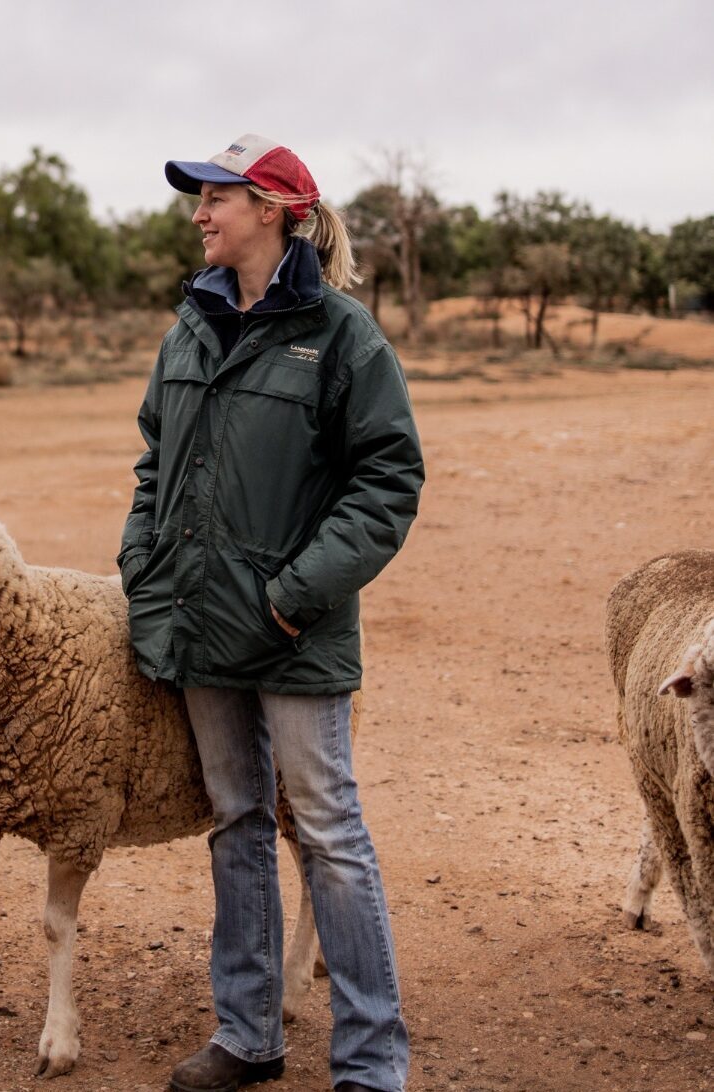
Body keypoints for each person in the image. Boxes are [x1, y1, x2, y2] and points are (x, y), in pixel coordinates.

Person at [118, 135, 423, 1092]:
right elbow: (153, 467)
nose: (200, 214)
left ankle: (370, 1061)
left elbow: (387, 481)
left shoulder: (341, 335)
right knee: (236, 820)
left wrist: (293, 597)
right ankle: (247, 1036)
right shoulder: (189, 329)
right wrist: (142, 565)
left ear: (276, 211)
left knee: (327, 830)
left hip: (293, 633)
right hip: (200, 625)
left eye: (218, 197)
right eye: (199, 198)